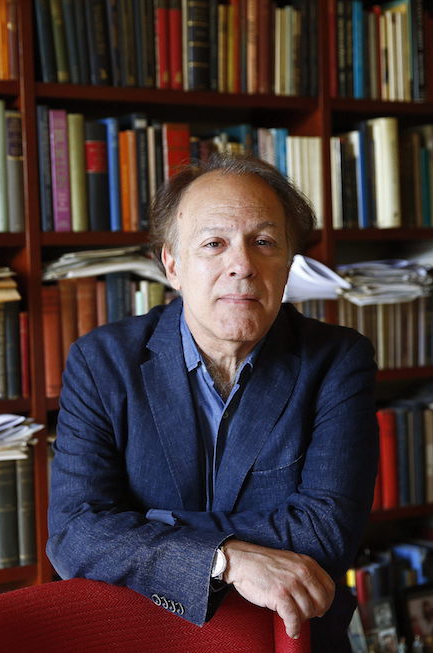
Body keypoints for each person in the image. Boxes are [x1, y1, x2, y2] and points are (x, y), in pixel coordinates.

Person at [46, 153, 379, 651]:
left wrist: (146, 527)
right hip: (140, 637)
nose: (242, 266)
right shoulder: (102, 362)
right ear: (173, 265)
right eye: (214, 244)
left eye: (263, 242)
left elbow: (327, 532)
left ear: (288, 265)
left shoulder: (337, 360)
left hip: (287, 638)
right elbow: (74, 533)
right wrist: (222, 559)